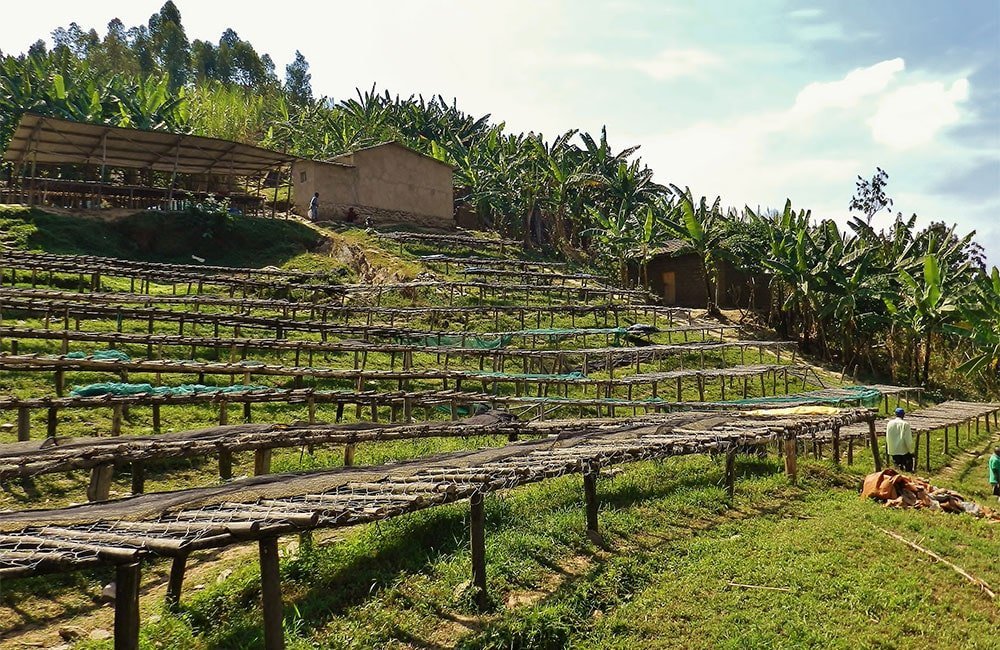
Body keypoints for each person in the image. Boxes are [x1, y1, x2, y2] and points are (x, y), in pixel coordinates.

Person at [885, 407, 914, 472]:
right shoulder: (905, 424)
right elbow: (908, 439)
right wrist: (911, 451)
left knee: (897, 468)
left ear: (895, 414)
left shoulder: (889, 423)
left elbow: (887, 436)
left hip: (893, 450)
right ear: (903, 415)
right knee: (908, 468)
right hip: (903, 450)